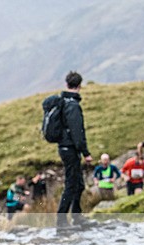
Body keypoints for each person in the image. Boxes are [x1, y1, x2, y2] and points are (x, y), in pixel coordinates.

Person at [56, 71, 93, 231]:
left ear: (67, 84)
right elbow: (77, 132)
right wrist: (86, 152)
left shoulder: (63, 102)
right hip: (70, 149)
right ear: (79, 86)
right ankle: (62, 220)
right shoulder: (72, 105)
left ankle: (77, 217)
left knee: (78, 184)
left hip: (65, 147)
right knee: (72, 184)